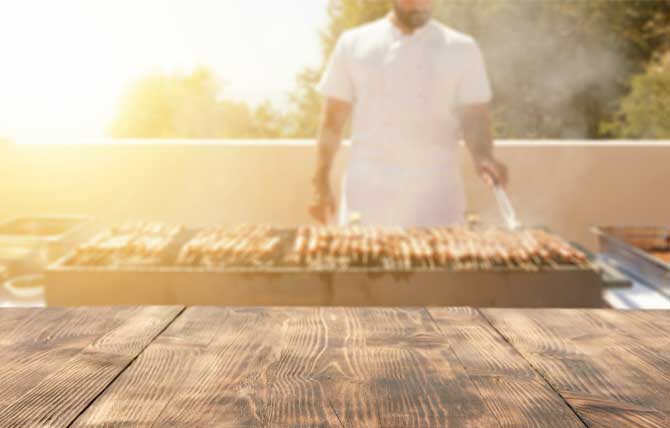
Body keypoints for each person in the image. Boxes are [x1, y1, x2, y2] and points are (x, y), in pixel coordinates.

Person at [309, 0, 508, 226]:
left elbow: (474, 116)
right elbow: (332, 120)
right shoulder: (353, 43)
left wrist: (483, 156)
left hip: (437, 198)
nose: (420, 5)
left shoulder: (462, 48)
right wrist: (321, 180)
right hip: (367, 197)